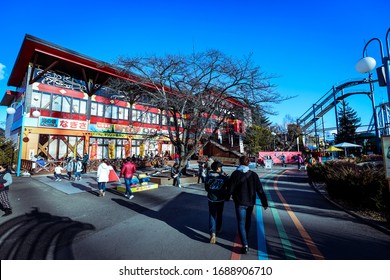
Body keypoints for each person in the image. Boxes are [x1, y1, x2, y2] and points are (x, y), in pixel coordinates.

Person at [226, 155, 268, 254]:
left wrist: (227, 197)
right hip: (250, 202)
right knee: (248, 220)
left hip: (239, 202)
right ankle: (246, 236)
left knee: (241, 223)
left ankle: (245, 245)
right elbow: (260, 190)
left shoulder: (235, 174)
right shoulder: (254, 175)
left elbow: (230, 188)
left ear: (240, 162)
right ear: (248, 163)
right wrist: (264, 202)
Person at [205, 161, 229, 244]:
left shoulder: (208, 177)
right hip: (220, 199)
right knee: (219, 214)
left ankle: (213, 233)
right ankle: (218, 228)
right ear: (218, 168)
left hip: (211, 198)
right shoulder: (223, 177)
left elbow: (206, 188)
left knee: (212, 215)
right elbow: (227, 186)